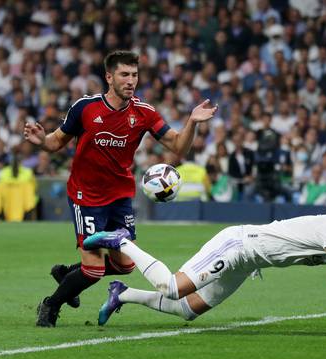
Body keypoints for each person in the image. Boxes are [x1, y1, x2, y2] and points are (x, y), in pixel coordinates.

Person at [24, 50, 218, 327]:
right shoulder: (85, 108)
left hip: (120, 197)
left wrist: (191, 123)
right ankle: (51, 304)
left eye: (135, 75)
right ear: (109, 77)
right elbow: (56, 142)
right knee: (93, 270)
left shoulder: (144, 113)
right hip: (86, 195)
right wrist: (42, 140)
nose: (131, 81)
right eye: (124, 75)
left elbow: (178, 146)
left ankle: (68, 274)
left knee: (126, 265)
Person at [83, 201, 326, 331]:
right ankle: (121, 240)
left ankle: (122, 294)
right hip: (239, 245)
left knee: (187, 310)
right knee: (172, 287)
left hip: (249, 261)